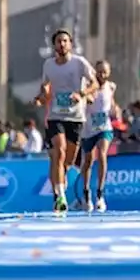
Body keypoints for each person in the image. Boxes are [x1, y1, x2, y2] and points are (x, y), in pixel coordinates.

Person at [34, 29, 97, 213]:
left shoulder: (79, 63)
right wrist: (41, 97)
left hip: (76, 117)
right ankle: (59, 196)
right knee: (58, 152)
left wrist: (82, 94)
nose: (62, 44)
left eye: (65, 41)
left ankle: (59, 180)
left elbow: (94, 83)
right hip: (55, 116)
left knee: (67, 161)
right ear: (54, 45)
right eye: (59, 41)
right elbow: (45, 86)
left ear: (70, 44)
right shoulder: (48, 65)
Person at [79, 59, 117, 213]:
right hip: (89, 129)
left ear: (109, 73)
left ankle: (100, 194)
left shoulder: (111, 86)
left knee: (102, 154)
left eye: (105, 71)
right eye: (99, 71)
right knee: (88, 161)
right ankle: (86, 193)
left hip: (104, 127)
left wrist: (116, 109)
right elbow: (84, 101)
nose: (102, 74)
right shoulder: (89, 87)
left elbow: (111, 102)